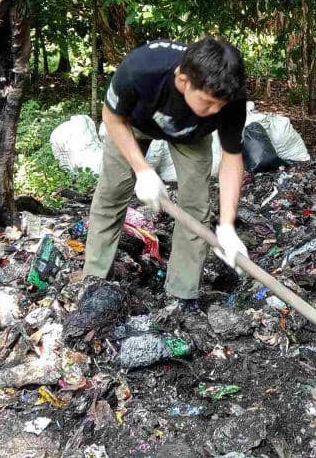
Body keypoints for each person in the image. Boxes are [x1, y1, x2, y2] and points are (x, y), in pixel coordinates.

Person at [83, 38, 249, 315]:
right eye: (208, 103)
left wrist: (228, 226)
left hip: (191, 136)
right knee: (110, 197)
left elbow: (232, 158)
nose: (216, 111)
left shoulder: (230, 97)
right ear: (183, 81)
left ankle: (182, 294)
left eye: (221, 105)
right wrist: (142, 169)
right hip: (132, 125)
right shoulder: (141, 69)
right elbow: (112, 118)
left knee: (196, 208)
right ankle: (94, 280)